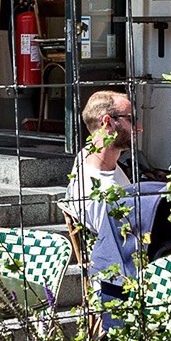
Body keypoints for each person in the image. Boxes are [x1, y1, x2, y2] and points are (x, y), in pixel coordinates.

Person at [62, 90, 135, 235]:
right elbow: (116, 242)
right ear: (107, 123)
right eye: (130, 120)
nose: (139, 127)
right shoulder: (103, 195)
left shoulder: (86, 156)